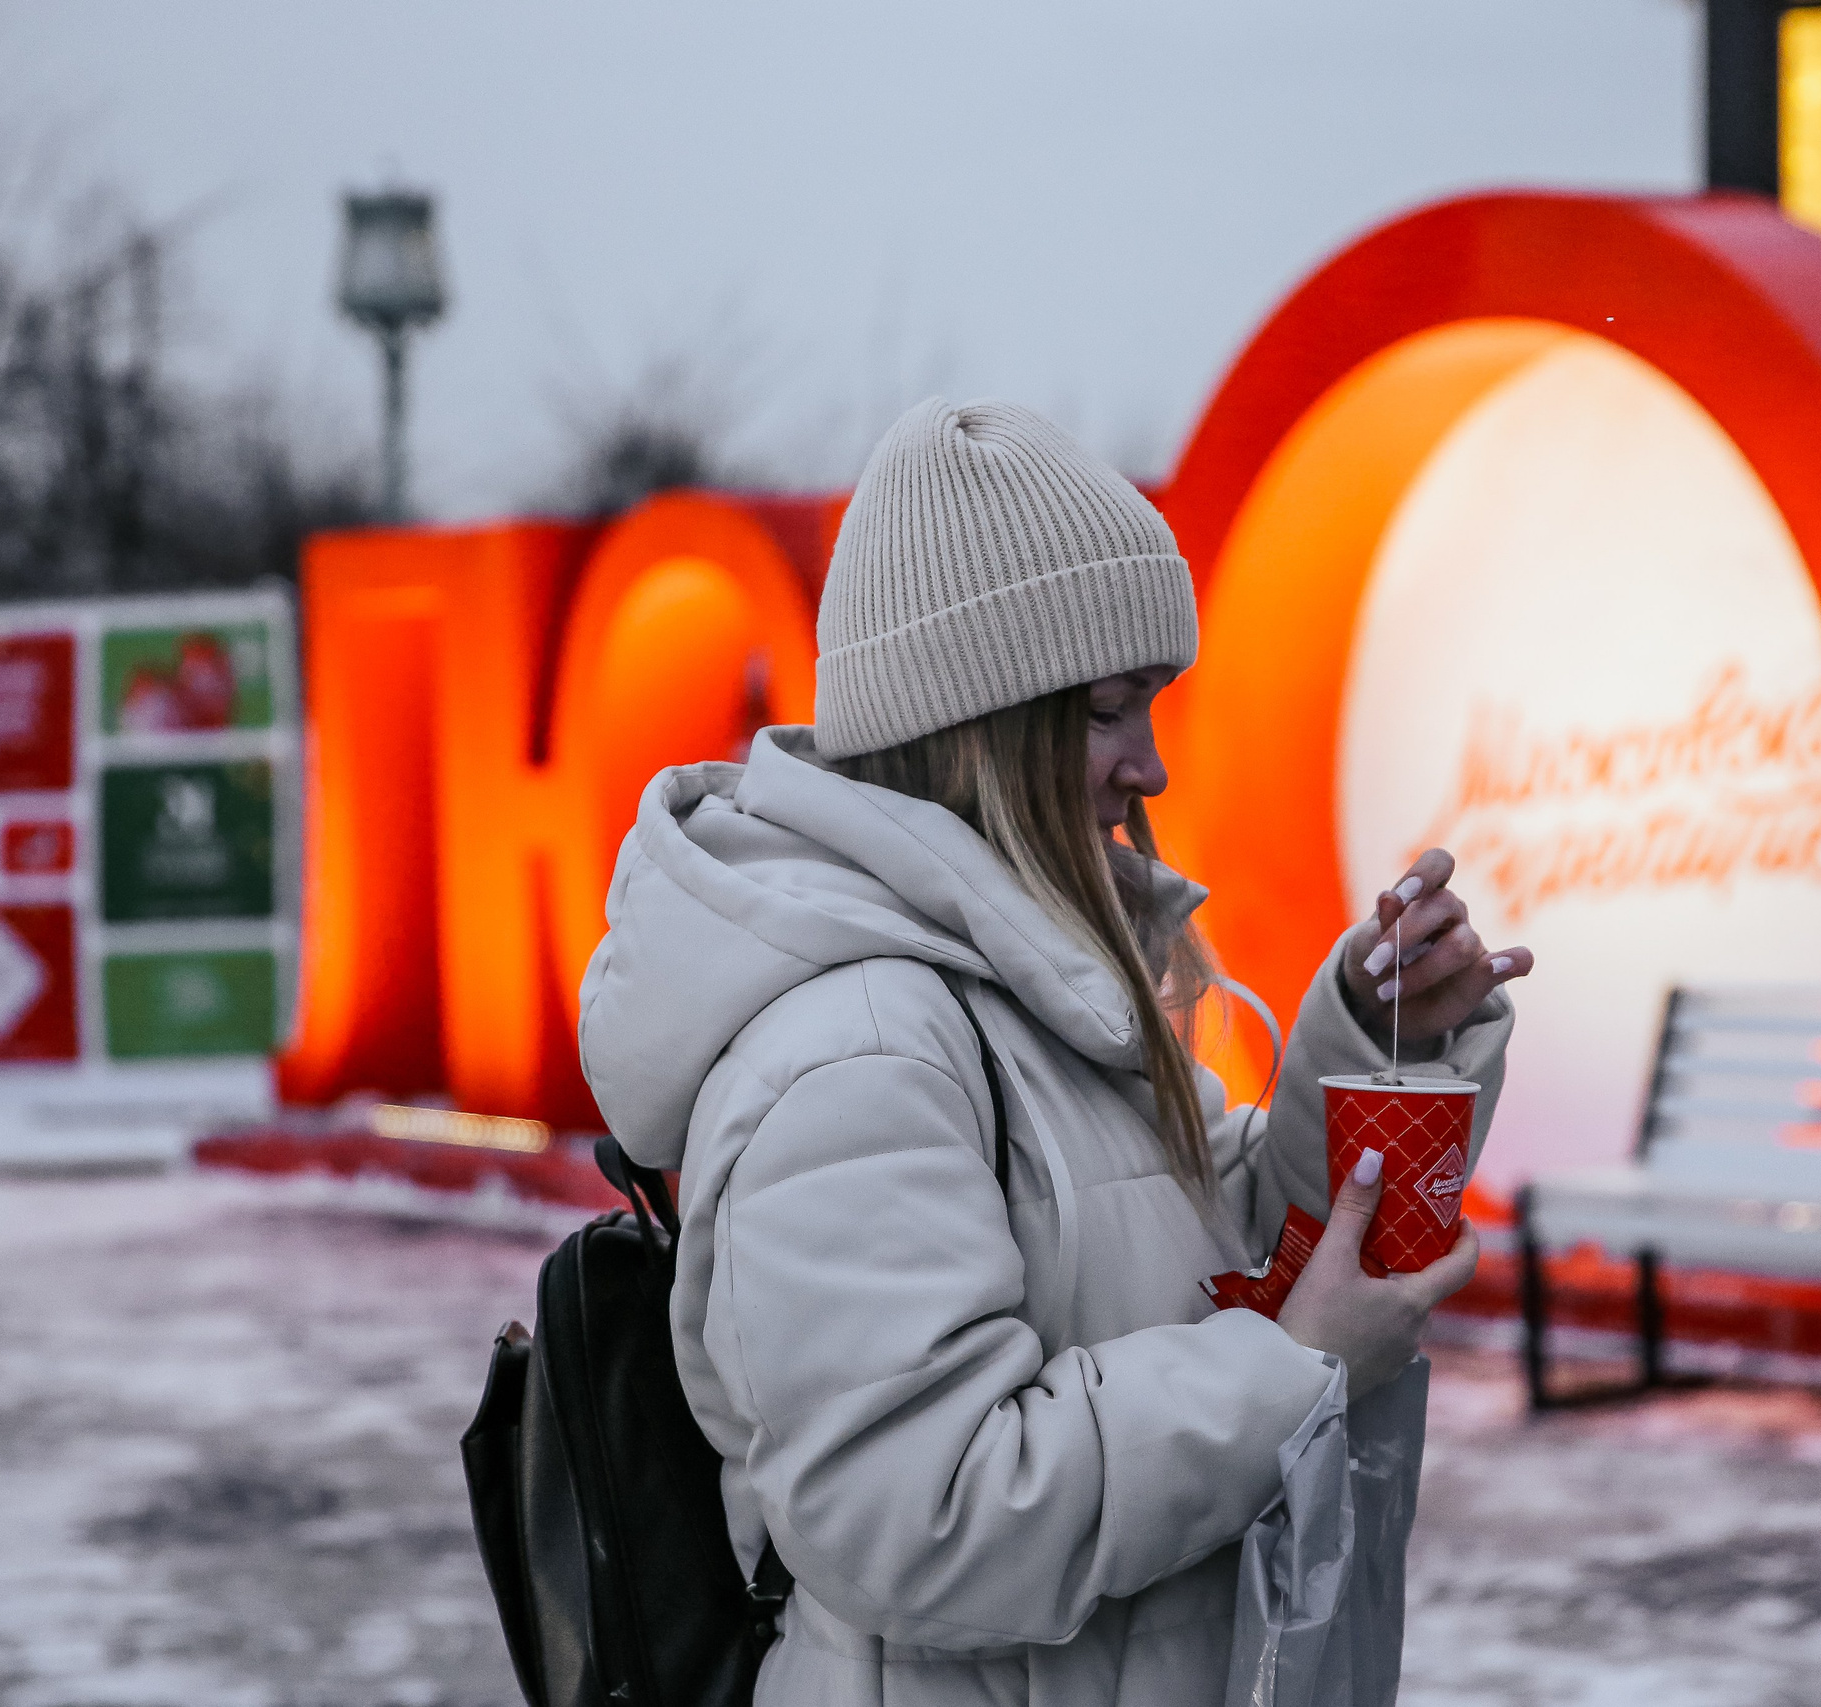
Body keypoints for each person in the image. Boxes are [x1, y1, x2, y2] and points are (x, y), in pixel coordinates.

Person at [578, 398, 1531, 1705]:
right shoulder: (860, 1054)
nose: (1148, 767)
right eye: (1103, 713)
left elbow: (1204, 1250)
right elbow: (924, 1517)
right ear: (979, 721)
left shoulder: (1015, 982)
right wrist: (1294, 1373)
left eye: (1151, 706)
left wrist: (1380, 1032)